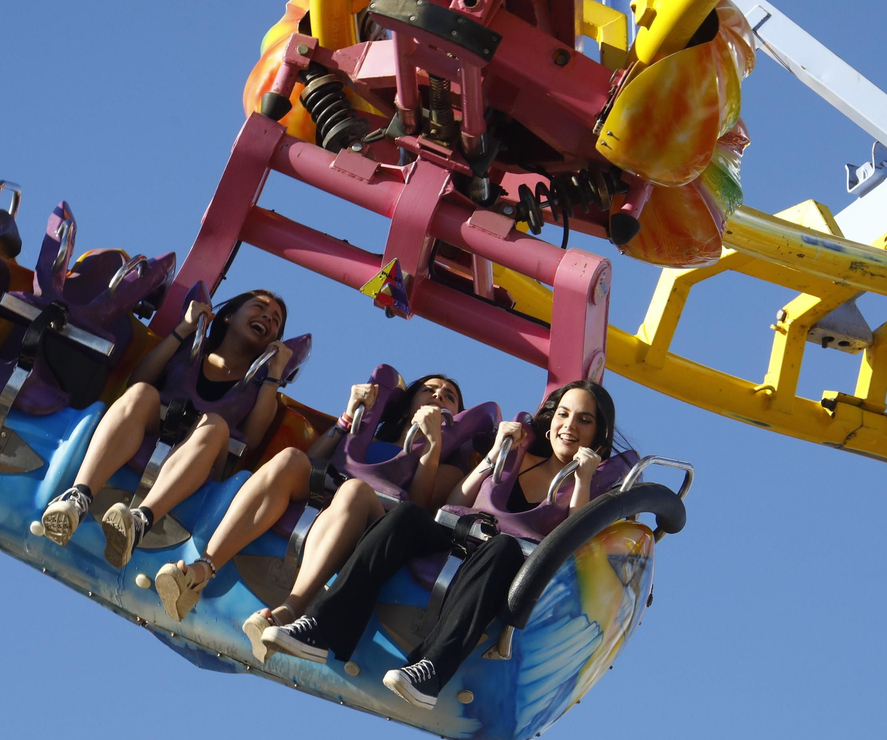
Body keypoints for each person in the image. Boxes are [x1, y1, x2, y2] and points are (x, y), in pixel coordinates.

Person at [262, 379, 618, 710]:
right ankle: (323, 627)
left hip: (505, 559)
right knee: (407, 517)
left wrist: (584, 478)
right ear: (550, 419)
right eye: (564, 414)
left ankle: (430, 670)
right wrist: (493, 457)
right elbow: (453, 500)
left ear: (598, 438)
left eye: (583, 420)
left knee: (504, 547)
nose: (569, 425)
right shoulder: (516, 455)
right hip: (460, 535)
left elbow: (573, 544)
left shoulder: (587, 489)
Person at [154, 374, 470, 636]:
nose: (439, 396)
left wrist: (432, 446)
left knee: (355, 491)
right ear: (408, 404)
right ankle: (203, 568)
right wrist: (348, 420)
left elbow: (417, 508)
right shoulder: (368, 436)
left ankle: (292, 609)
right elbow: (314, 459)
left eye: (449, 396)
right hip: (327, 497)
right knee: (292, 458)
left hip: (377, 523)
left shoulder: (448, 465)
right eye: (429, 389)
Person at [37, 289, 291, 569]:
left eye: (275, 320)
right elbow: (139, 378)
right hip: (156, 432)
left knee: (215, 425)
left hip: (204, 459)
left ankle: (140, 522)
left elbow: (253, 439)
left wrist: (275, 374)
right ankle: (78, 498)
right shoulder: (190, 349)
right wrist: (185, 327)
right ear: (229, 316)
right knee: (143, 393)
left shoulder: (261, 387)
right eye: (259, 308)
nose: (267, 318)